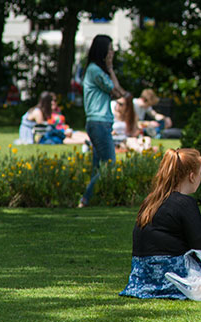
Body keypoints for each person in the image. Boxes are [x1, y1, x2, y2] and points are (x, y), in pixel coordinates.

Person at [120, 148, 201, 299]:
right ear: (192, 176)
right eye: (200, 173)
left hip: (143, 278)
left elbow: (179, 230)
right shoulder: (185, 202)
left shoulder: (151, 200)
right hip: (174, 277)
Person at [78, 34, 128, 208]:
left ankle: (93, 200)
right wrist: (110, 68)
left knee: (98, 167)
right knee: (109, 164)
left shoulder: (98, 70)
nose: (112, 52)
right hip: (98, 123)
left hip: (101, 123)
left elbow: (118, 92)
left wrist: (111, 68)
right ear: (103, 51)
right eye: (110, 49)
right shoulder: (95, 71)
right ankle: (85, 199)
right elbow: (117, 91)